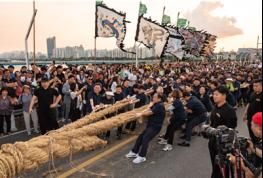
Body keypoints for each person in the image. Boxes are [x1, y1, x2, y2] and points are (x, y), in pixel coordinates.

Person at [126, 93, 166, 164]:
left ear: (159, 98)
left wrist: (141, 114)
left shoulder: (160, 105)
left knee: (145, 139)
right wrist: (146, 108)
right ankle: (134, 152)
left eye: (154, 97)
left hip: (155, 127)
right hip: (150, 125)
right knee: (140, 137)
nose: (152, 98)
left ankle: (142, 156)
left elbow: (149, 113)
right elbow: (148, 109)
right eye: (153, 97)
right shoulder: (155, 104)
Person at [208, 86, 238, 178]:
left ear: (224, 95)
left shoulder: (230, 110)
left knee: (223, 168)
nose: (214, 96)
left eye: (216, 94)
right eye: (213, 94)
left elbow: (231, 130)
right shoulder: (215, 107)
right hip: (212, 141)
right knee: (214, 165)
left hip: (223, 145)